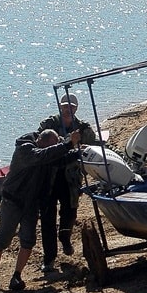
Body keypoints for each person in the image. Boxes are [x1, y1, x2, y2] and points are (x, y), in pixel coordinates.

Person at [0, 129, 81, 292]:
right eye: (52, 145)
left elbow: (57, 160)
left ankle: (17, 276)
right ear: (42, 142)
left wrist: (77, 153)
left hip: (31, 203)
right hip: (12, 201)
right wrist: (67, 144)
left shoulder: (45, 154)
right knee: (3, 239)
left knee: (28, 240)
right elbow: (43, 156)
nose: (53, 149)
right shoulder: (25, 151)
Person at [37, 94, 96, 273]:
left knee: (70, 212)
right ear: (60, 107)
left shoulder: (82, 127)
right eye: (65, 106)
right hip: (49, 178)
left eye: (71, 107)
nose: (68, 110)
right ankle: (49, 259)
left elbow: (91, 145)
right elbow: (40, 144)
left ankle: (65, 238)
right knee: (47, 219)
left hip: (71, 178)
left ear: (76, 108)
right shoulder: (48, 125)